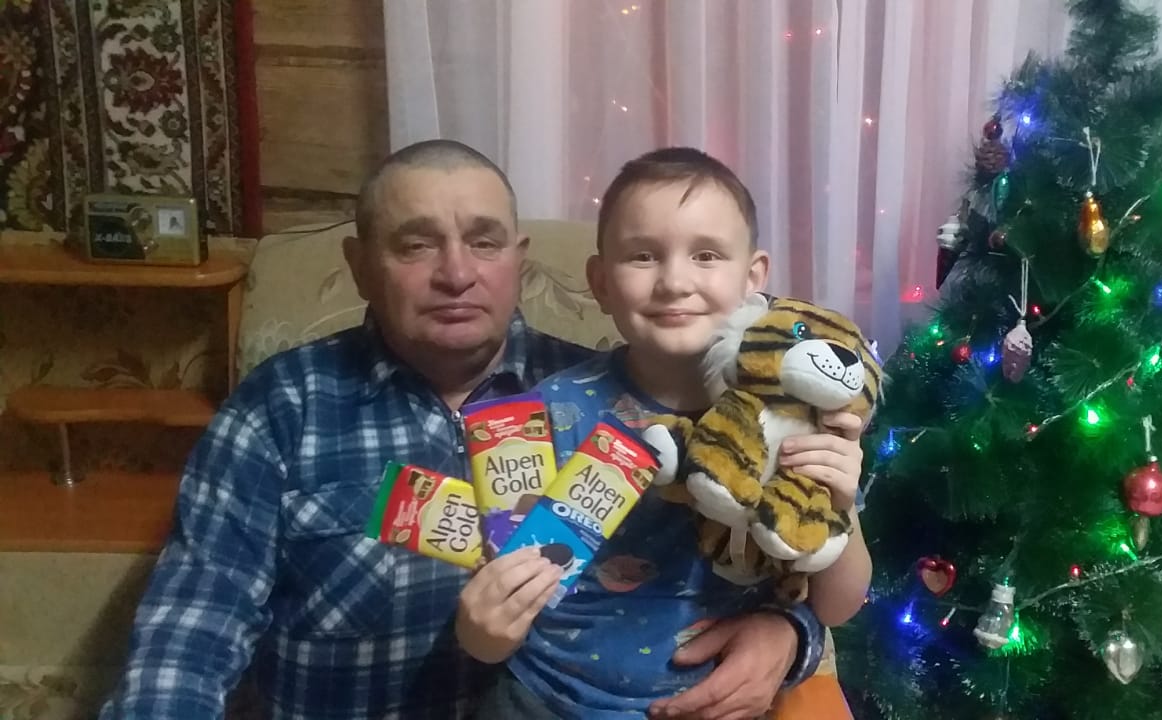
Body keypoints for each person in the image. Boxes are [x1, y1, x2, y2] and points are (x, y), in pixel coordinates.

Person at [99, 139, 844, 720]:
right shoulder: (284, 405)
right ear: (359, 266)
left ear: (519, 262)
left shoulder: (616, 403)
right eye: (416, 244)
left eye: (484, 242)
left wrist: (789, 637)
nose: (456, 273)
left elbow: (754, 560)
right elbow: (193, 627)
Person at [460, 147, 874, 719]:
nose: (675, 282)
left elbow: (837, 606)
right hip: (544, 699)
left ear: (753, 278)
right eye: (643, 256)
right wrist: (482, 631)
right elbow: (489, 630)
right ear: (600, 282)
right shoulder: (547, 414)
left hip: (720, 703)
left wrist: (842, 506)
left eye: (706, 255)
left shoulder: (796, 417)